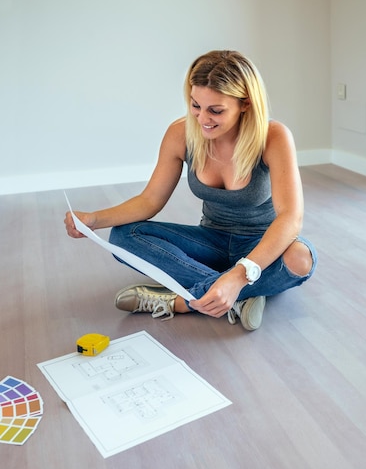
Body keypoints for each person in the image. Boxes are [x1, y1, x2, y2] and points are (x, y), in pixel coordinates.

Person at [65, 50, 317, 331]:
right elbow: (150, 200)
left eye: (216, 110)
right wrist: (93, 220)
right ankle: (232, 297)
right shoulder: (181, 134)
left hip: (260, 244)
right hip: (211, 240)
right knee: (125, 236)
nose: (202, 118)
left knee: (301, 258)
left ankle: (183, 301)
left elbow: (290, 218)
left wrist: (239, 275)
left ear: (245, 103)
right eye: (195, 105)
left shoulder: (274, 137)